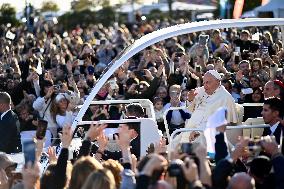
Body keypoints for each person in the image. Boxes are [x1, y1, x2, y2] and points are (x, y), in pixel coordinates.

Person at [180, 70, 238, 143]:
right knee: (173, 144)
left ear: (217, 81)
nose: (205, 85)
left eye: (208, 82)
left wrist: (199, 131)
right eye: (204, 83)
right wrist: (190, 99)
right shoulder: (201, 90)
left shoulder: (225, 97)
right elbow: (191, 109)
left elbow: (225, 122)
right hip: (190, 129)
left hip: (207, 133)